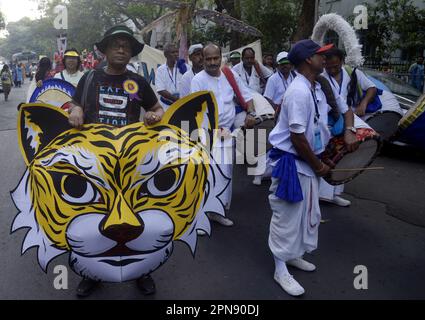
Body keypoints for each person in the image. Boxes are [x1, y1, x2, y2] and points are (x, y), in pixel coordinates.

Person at [66, 25, 164, 297]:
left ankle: (144, 271)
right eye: (116, 44)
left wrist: (155, 115)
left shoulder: (137, 82)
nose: (121, 49)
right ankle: (91, 273)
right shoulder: (89, 78)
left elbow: (157, 108)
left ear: (131, 52)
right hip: (93, 165)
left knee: (137, 217)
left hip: (130, 165)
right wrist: (75, 109)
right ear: (105, 50)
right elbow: (74, 104)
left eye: (126, 45)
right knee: (91, 218)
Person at [267, 39, 335, 297]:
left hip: (306, 163)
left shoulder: (313, 87)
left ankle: (293, 255)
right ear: (308, 60)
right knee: (286, 217)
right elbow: (297, 137)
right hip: (292, 166)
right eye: (321, 55)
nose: (325, 59)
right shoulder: (298, 91)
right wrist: (318, 165)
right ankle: (280, 267)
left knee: (306, 214)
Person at [191, 43, 256, 227]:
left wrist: (250, 113)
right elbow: (196, 111)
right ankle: (200, 220)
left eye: (215, 58)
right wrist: (213, 130)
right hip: (206, 135)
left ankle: (218, 212)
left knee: (225, 174)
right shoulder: (198, 80)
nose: (212, 62)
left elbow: (247, 95)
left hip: (228, 133)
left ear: (221, 57)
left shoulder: (229, 74)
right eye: (208, 59)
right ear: (203, 59)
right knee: (207, 176)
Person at [320, 47, 375, 207]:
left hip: (350, 119)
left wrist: (363, 103)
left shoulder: (353, 73)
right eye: (328, 66)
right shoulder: (321, 77)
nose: (331, 69)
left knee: (345, 154)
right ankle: (321, 194)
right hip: (330, 122)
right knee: (329, 155)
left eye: (335, 66)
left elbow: (371, 88)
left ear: (342, 62)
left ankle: (336, 193)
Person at [156, 43, 190, 110]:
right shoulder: (160, 70)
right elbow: (160, 90)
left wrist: (183, 101)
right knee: (167, 121)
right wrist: (177, 100)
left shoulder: (185, 67)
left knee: (184, 121)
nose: (176, 54)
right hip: (166, 107)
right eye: (173, 52)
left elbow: (190, 84)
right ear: (166, 55)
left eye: (177, 52)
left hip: (183, 106)